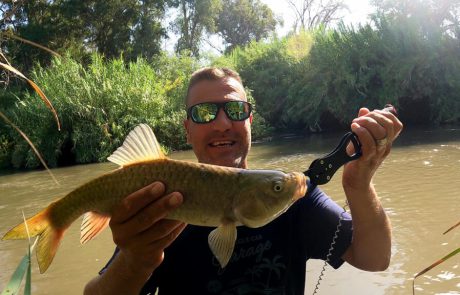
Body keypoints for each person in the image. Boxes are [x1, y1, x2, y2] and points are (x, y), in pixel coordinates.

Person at [84, 67, 403, 294]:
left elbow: (375, 259)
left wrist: (359, 185)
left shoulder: (290, 198)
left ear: (250, 121)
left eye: (236, 110)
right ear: (187, 130)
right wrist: (136, 260)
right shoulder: (159, 202)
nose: (223, 123)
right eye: (205, 113)